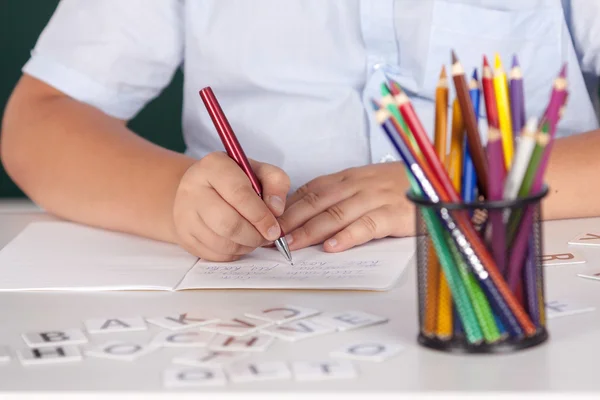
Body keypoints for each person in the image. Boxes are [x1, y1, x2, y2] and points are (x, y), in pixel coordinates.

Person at [2, 0, 600, 262]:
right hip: (263, 280)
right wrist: (177, 200)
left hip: (530, 265)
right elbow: (43, 119)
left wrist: (465, 185)